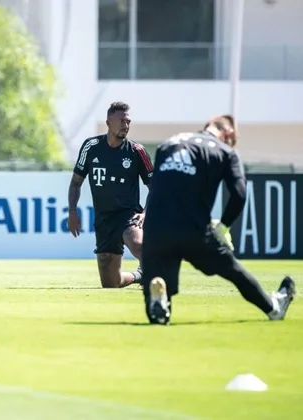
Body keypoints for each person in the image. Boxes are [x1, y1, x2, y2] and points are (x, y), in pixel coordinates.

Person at [142, 115, 296, 325]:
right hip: (194, 228)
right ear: (229, 133)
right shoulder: (225, 151)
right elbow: (239, 194)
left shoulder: (168, 144)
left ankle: (160, 303)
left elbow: (156, 186)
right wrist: (223, 227)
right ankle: (273, 308)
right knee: (232, 269)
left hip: (156, 228)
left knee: (158, 288)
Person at [67, 101, 153, 288]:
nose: (126, 125)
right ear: (108, 123)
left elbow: (155, 187)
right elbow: (75, 183)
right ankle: (140, 275)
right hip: (103, 219)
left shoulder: (137, 151)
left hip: (128, 214)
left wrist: (145, 213)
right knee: (111, 283)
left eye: (128, 121)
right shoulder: (91, 147)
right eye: (121, 120)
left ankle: (157, 289)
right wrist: (72, 211)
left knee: (139, 246)